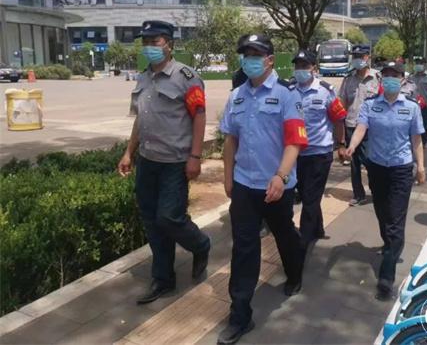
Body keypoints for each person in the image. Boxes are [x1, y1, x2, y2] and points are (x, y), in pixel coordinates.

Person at [218, 34, 307, 344]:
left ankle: (295, 272)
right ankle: (240, 316)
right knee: (244, 248)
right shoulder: (237, 96)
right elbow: (230, 139)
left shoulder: (286, 95)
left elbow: (295, 141)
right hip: (245, 184)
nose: (250, 60)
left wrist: (281, 176)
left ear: (270, 60)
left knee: (284, 234)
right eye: (246, 55)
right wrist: (228, 177)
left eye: (256, 55)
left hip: (277, 185)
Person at [117, 20, 211, 304]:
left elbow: (199, 117)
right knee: (152, 221)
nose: (149, 47)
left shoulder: (187, 77)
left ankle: (201, 244)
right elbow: (140, 119)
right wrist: (129, 152)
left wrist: (195, 157)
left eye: (154, 41)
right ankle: (163, 279)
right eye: (145, 42)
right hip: (148, 161)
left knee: (169, 217)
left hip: (175, 161)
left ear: (169, 44)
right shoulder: (143, 77)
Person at [344, 61, 426, 301]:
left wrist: (421, 167)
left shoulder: (411, 107)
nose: (390, 78)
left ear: (402, 80)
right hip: (377, 167)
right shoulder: (371, 105)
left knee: (396, 220)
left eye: (395, 75)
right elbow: (361, 128)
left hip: (401, 169)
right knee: (382, 214)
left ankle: (386, 275)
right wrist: (351, 146)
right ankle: (390, 245)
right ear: (381, 79)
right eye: (387, 75)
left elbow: (416, 140)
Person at [292, 50, 347, 246]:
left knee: (310, 197)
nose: (300, 70)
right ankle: (318, 227)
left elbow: (339, 119)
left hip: (319, 154)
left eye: (304, 66)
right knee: (306, 193)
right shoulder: (289, 89)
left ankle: (304, 240)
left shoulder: (326, 91)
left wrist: (341, 144)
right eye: (297, 66)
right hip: (295, 153)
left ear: (313, 68)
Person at [339, 45, 381, 206]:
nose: (357, 59)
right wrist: (341, 134)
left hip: (371, 127)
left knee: (371, 161)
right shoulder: (348, 79)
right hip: (351, 124)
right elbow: (342, 103)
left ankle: (377, 190)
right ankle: (358, 194)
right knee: (354, 163)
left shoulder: (377, 77)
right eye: (354, 56)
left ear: (367, 57)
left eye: (360, 56)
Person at [407, 57, 427, 146]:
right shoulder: (411, 77)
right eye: (417, 63)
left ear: (424, 64)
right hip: (412, 105)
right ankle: (412, 143)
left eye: (420, 63)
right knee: (411, 125)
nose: (418, 65)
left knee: (424, 125)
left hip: (425, 105)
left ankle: (423, 143)